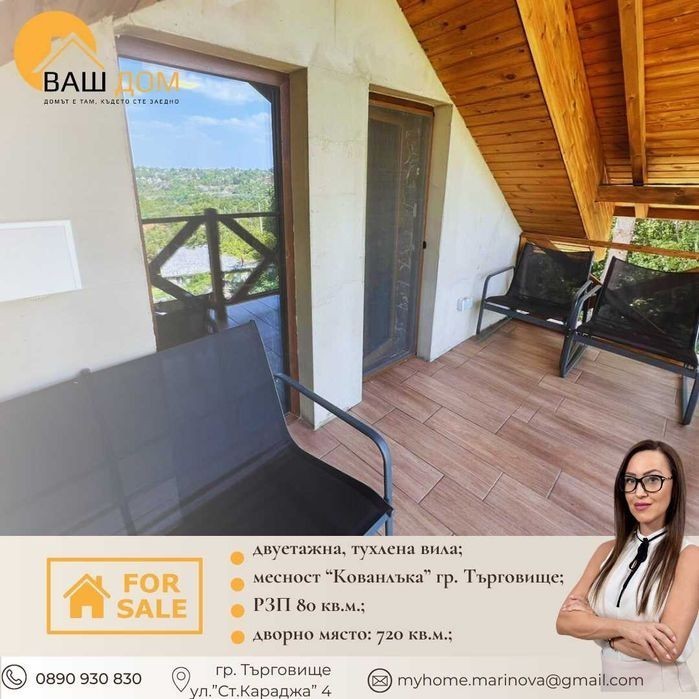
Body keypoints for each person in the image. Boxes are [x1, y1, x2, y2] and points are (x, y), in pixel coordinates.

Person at [556, 440, 699, 692]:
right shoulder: (606, 551)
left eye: (652, 480)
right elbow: (565, 621)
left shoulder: (689, 557)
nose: (639, 492)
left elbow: (668, 649)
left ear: (675, 486)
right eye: (630, 481)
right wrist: (625, 629)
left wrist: (600, 631)